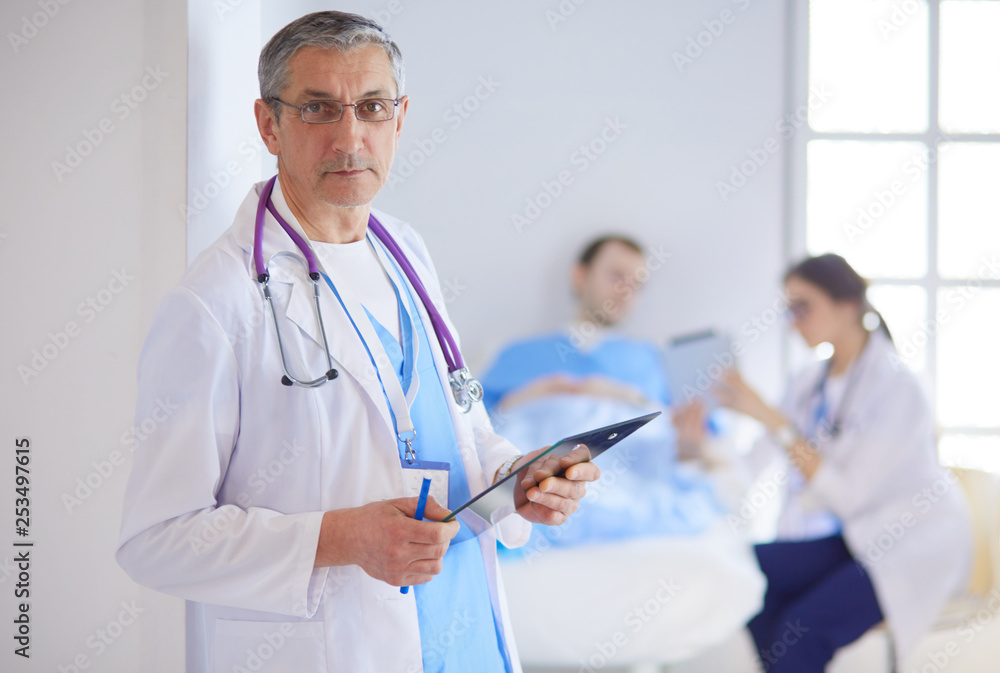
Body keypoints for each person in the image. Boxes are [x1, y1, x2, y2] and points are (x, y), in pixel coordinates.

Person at [116, 12, 598, 673]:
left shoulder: (406, 251)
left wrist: (515, 477)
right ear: (269, 124)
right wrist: (340, 538)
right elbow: (155, 540)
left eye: (372, 107)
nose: (350, 137)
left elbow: (460, 429)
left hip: (466, 636)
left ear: (399, 119)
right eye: (318, 108)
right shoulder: (214, 303)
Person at [479, 236, 767, 666]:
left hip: (630, 476)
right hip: (542, 459)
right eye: (616, 275)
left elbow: (687, 450)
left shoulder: (652, 362)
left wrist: (684, 440)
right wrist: (544, 392)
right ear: (580, 276)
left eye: (637, 283)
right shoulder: (517, 356)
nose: (626, 290)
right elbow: (480, 430)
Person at [677, 253, 973, 671]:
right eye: (788, 309)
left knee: (801, 628)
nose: (792, 322)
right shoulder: (808, 382)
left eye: (803, 307)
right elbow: (749, 467)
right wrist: (697, 446)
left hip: (913, 543)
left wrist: (773, 419)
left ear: (847, 306)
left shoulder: (897, 386)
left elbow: (849, 496)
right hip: (860, 536)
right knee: (745, 573)